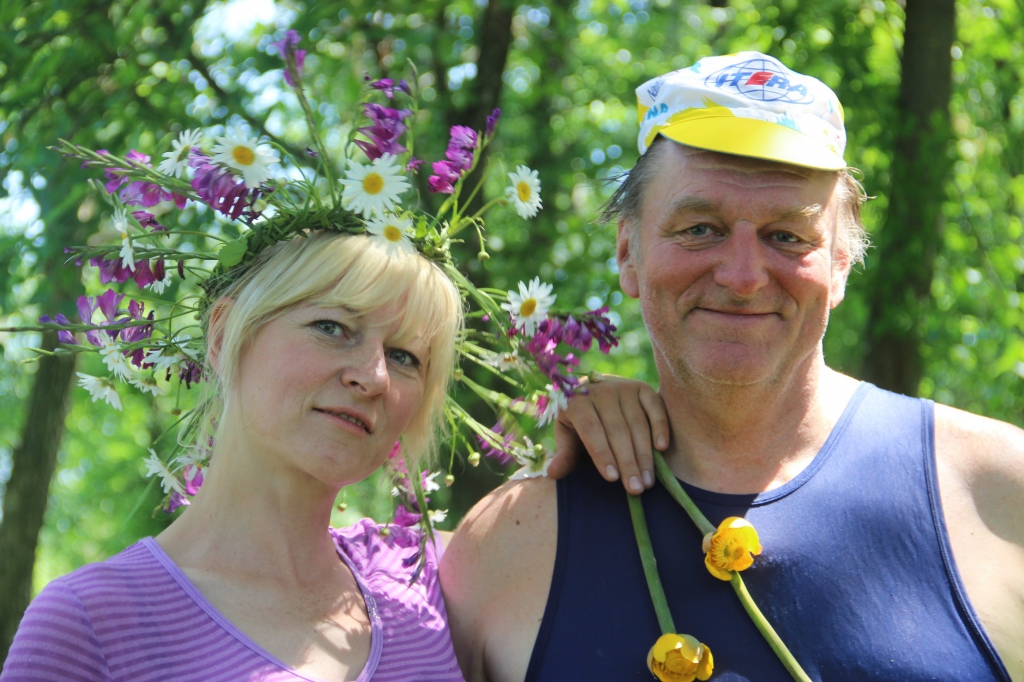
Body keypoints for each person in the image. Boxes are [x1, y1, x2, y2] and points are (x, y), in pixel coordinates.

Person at [439, 52, 1024, 681]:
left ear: (840, 265)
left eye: (787, 236)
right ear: (628, 253)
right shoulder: (509, 545)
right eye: (700, 228)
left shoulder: (998, 494)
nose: (743, 277)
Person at [2, 232, 467, 681]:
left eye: (404, 356)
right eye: (332, 328)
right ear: (225, 337)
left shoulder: (433, 576)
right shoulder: (90, 624)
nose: (375, 376)